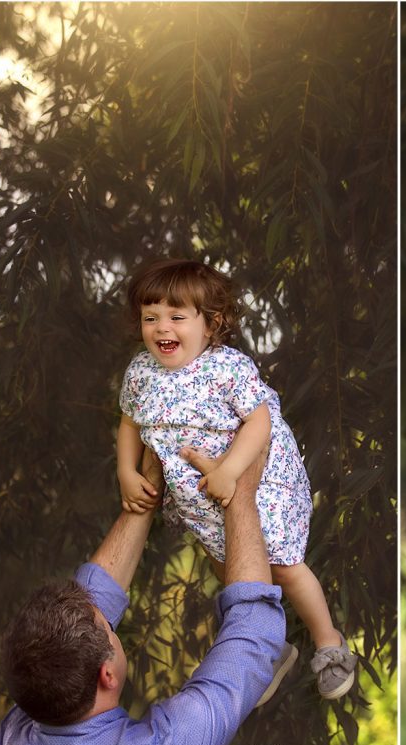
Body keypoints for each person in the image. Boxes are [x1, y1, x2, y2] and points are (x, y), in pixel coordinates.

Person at [0, 448, 292, 745]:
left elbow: (90, 602)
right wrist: (241, 491)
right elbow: (254, 630)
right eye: (108, 626)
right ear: (106, 674)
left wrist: (147, 493)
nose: (107, 616)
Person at [116, 258, 355, 699]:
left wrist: (229, 471)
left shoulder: (227, 368)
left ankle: (329, 642)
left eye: (176, 317)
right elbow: (130, 423)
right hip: (200, 496)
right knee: (228, 566)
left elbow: (260, 423)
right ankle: (270, 645)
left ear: (211, 324)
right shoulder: (141, 372)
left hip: (257, 482)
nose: (161, 328)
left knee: (280, 565)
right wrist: (126, 472)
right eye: (151, 318)